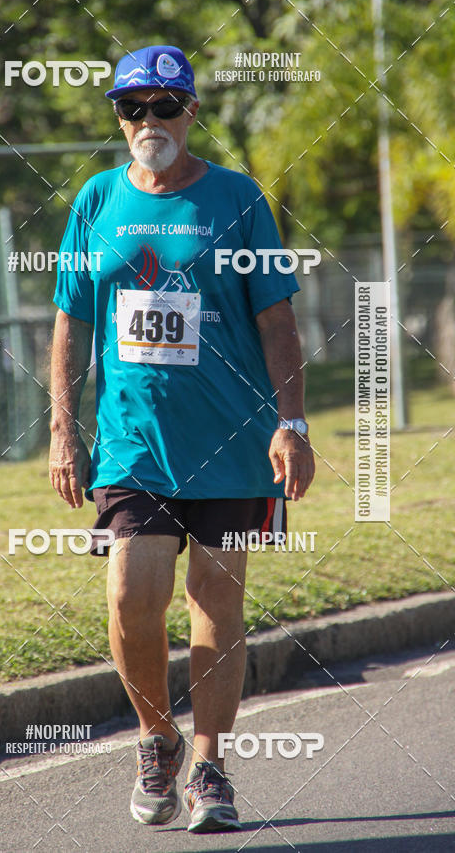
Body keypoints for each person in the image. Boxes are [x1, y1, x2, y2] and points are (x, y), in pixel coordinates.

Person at [49, 44, 315, 834]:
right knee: (131, 595)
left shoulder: (237, 198)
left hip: (233, 443)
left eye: (165, 107)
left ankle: (210, 766)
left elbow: (277, 320)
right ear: (119, 116)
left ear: (191, 112)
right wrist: (64, 429)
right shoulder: (97, 199)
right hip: (132, 444)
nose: (149, 121)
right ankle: (154, 738)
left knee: (215, 600)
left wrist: (292, 422)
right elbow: (71, 321)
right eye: (133, 107)